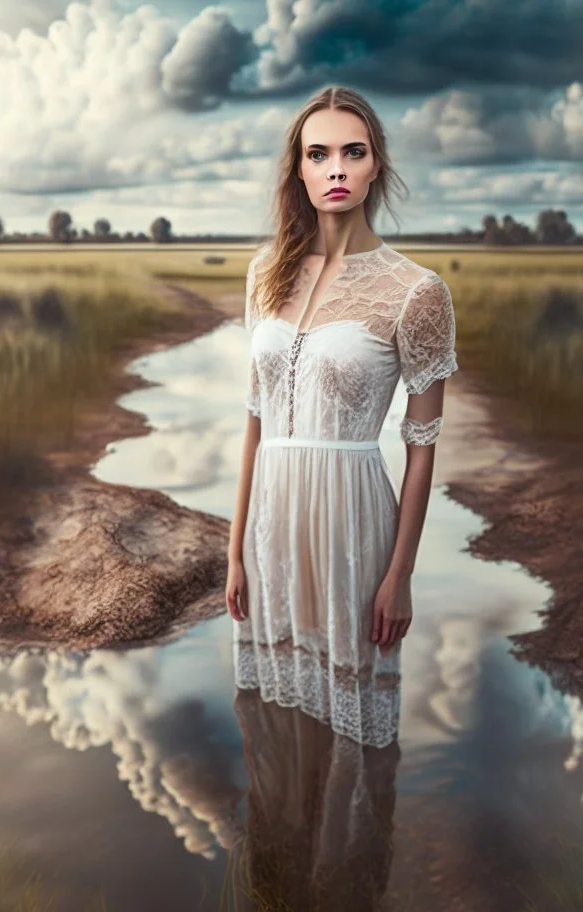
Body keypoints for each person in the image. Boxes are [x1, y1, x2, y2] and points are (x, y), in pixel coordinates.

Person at [225, 85, 459, 750]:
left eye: (352, 153)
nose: (335, 168)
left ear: (374, 165)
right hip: (271, 524)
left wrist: (400, 574)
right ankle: (278, 854)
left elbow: (421, 448)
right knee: (275, 711)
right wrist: (234, 549)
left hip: (355, 524)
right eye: (318, 153)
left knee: (352, 729)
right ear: (298, 169)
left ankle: (351, 853)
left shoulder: (416, 291)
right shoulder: (265, 273)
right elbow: (255, 419)